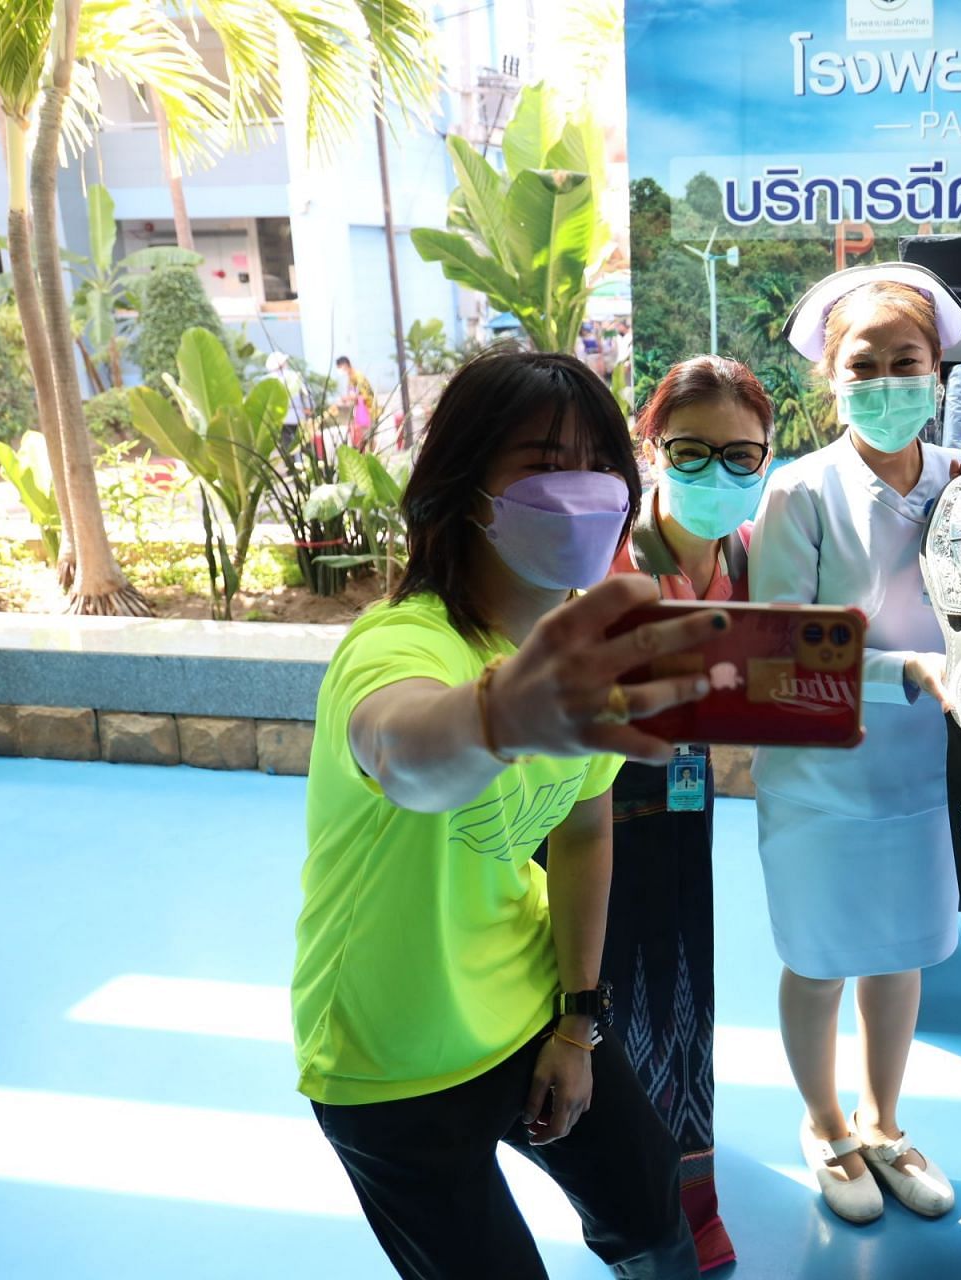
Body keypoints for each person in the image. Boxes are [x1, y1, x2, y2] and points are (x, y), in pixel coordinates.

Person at [293, 345, 726, 1280]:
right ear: (464, 487)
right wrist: (494, 719)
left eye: (596, 463)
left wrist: (578, 1021)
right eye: (538, 464)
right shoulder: (402, 644)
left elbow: (577, 828)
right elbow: (404, 751)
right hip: (390, 1057)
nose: (577, 487)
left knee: (649, 1199)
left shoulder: (579, 663)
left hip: (532, 1007)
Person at [750, 262, 961, 1225]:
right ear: (831, 380)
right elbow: (774, 648)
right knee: (820, 956)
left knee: (902, 955)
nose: (887, 381)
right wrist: (908, 673)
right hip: (821, 775)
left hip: (927, 772)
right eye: (865, 364)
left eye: (906, 361)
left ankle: (886, 1122)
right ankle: (824, 1124)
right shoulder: (799, 493)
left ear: (938, 372)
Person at [602, 355, 776, 1272]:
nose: (719, 473)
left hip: (687, 803)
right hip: (599, 814)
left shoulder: (745, 553)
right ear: (652, 444)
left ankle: (692, 1182)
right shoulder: (617, 560)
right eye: (692, 451)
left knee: (688, 990)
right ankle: (633, 1199)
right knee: (613, 999)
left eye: (741, 454)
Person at [335, 355, 376, 450]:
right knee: (364, 436)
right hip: (360, 411)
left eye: (340, 368)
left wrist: (348, 398)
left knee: (369, 436)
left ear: (345, 365)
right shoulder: (350, 378)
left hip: (368, 410)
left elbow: (364, 395)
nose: (340, 371)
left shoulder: (358, 376)